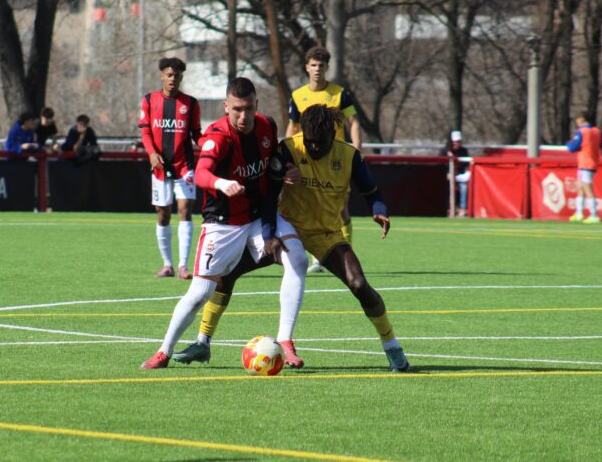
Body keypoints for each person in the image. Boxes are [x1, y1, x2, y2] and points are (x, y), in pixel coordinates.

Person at [175, 105, 411, 373]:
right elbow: (267, 194)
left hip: (326, 234)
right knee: (226, 274)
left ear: (333, 137)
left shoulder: (349, 156)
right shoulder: (289, 149)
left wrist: (379, 211)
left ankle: (392, 347)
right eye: (309, 141)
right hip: (286, 228)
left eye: (320, 143)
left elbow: (372, 192)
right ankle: (203, 342)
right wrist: (267, 234)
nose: (314, 148)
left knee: (359, 284)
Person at [140, 77, 291, 370]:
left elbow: (275, 157)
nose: (243, 116)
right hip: (223, 225)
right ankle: (163, 352)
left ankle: (286, 340)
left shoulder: (267, 126)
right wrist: (222, 183)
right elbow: (201, 174)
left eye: (248, 109)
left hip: (258, 219)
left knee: (295, 257)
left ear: (257, 105)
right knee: (200, 293)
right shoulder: (217, 136)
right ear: (226, 107)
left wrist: (289, 168)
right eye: (236, 109)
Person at [286, 46, 361, 274]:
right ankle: (317, 258)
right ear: (307, 67)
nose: (318, 69)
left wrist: (356, 150)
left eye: (322, 65)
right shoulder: (298, 96)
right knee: (308, 206)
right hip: (307, 160)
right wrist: (287, 155)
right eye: (314, 65)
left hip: (335, 160)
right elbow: (293, 126)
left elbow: (354, 123)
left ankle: (345, 252)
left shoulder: (339, 93)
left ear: (327, 68)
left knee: (341, 209)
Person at [138, 57, 202, 280]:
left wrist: (211, 146)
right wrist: (152, 153)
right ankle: (168, 265)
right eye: (169, 74)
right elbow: (145, 131)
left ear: (181, 77)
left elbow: (196, 134)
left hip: (184, 167)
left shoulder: (191, 104)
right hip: (160, 167)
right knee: (162, 214)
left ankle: (184, 266)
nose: (173, 79)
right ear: (162, 76)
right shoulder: (149, 100)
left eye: (177, 75)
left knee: (185, 210)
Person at [566, 113, 602, 223]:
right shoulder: (597, 132)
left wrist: (568, 143)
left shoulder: (582, 132)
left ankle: (594, 215)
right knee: (580, 187)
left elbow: (573, 148)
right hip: (591, 163)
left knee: (587, 188)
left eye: (577, 121)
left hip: (585, 163)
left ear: (581, 120)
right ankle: (579, 213)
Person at [438, 130, 470, 218]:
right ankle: (447, 208)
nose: (456, 143)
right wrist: (446, 174)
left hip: (459, 176)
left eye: (458, 141)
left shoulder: (464, 151)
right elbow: (438, 165)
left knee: (464, 186)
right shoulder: (444, 151)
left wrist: (466, 174)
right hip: (447, 176)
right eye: (455, 141)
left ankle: (462, 209)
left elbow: (466, 165)